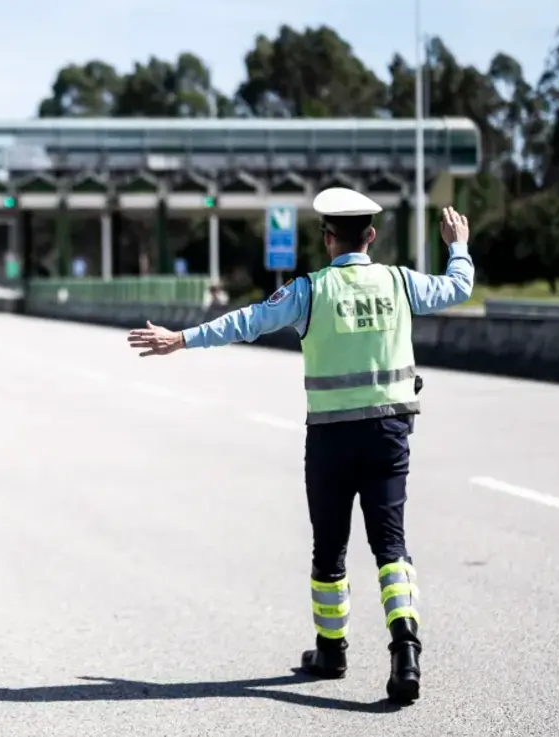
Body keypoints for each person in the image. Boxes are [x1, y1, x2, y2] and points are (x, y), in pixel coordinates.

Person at [126, 188, 474, 704]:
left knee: (329, 547)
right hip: (388, 436)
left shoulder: (310, 290)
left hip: (331, 439)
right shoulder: (401, 282)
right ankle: (406, 655)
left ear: (328, 238)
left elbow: (245, 322)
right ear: (371, 237)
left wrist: (182, 338)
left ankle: (331, 651)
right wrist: (458, 244)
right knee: (391, 546)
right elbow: (457, 287)